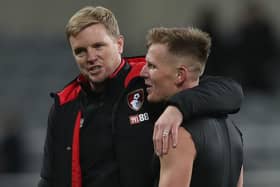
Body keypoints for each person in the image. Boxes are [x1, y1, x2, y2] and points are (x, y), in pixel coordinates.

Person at [38, 6, 243, 187]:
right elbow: (49, 179)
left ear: (119, 44)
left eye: (98, 46)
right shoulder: (64, 105)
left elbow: (230, 91)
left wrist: (177, 108)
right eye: (80, 51)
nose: (91, 57)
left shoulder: (149, 81)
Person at [140, 27, 243, 187]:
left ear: (180, 75)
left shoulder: (176, 134)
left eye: (152, 66)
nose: (142, 72)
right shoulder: (233, 130)